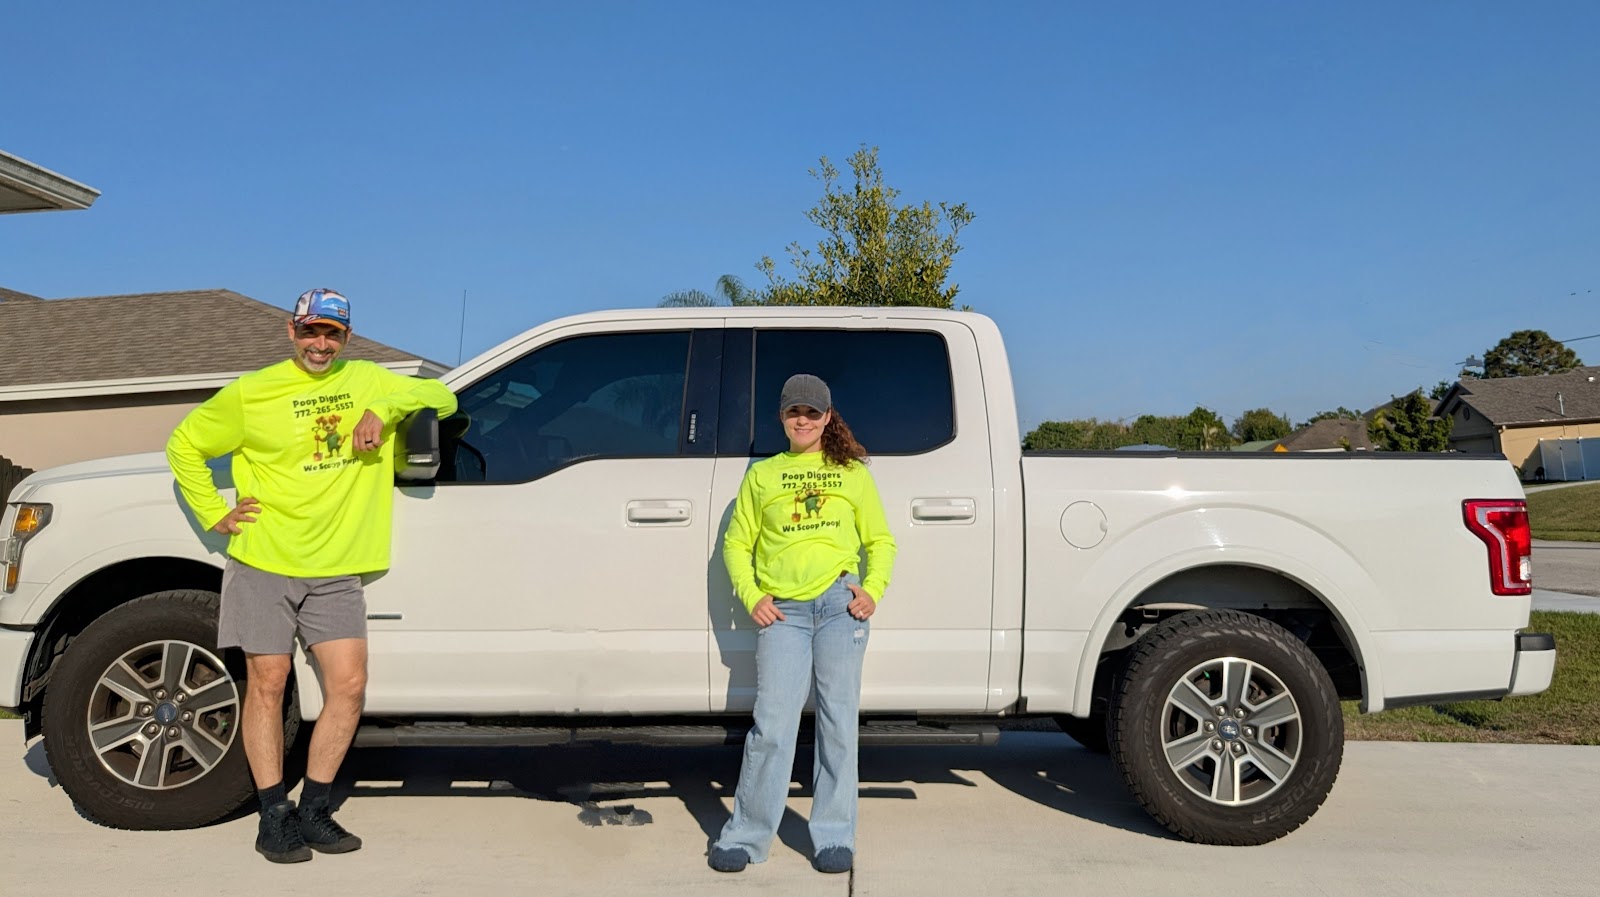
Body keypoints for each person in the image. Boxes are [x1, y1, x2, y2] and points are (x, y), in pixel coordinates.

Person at [166, 288, 457, 864]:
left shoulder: (371, 381)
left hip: (336, 568)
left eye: (333, 335)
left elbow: (442, 396)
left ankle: (315, 810)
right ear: (291, 331)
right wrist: (213, 512)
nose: (320, 345)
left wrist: (387, 410)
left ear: (346, 338)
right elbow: (185, 444)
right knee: (269, 684)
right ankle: (273, 814)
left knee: (348, 687)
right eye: (311, 333)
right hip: (264, 561)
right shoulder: (254, 392)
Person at [709, 373, 898, 875]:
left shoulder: (851, 472)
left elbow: (881, 540)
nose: (803, 420)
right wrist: (752, 596)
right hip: (784, 613)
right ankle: (747, 836)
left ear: (827, 417)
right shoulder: (763, 475)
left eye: (813, 413)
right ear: (782, 417)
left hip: (839, 607)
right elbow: (736, 543)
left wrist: (872, 590)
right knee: (773, 724)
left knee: (838, 723)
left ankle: (834, 835)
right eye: (794, 411)